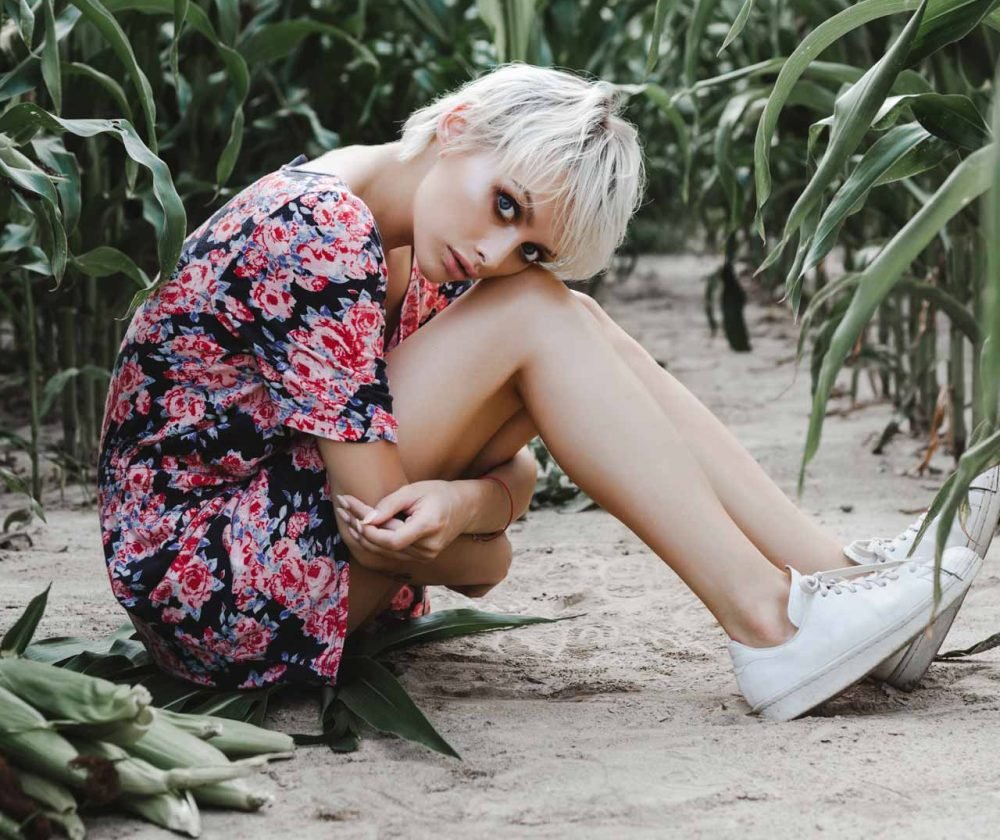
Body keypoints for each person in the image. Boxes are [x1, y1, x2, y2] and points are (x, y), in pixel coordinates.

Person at [96, 62, 998, 721]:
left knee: (568, 314)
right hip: (213, 590)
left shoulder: (426, 252)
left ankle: (834, 577)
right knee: (537, 310)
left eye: (529, 244)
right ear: (456, 125)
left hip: (283, 560)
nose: (496, 252)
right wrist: (474, 531)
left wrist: (468, 508)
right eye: (506, 204)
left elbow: (507, 492)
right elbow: (385, 516)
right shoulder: (320, 224)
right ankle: (771, 624)